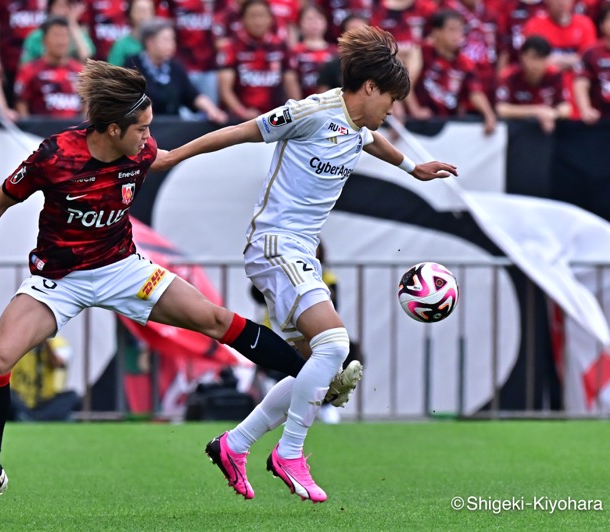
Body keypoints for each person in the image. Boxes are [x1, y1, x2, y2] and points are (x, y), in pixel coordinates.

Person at [0, 59, 355, 519]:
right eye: (142, 130)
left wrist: (216, 141)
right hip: (60, 280)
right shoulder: (54, 157)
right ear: (112, 129)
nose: (149, 139)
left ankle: (315, 375)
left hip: (124, 268)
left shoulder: (140, 152)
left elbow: (167, 156)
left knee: (213, 318)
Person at [158, 26, 457, 503]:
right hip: (275, 245)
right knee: (336, 344)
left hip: (302, 252)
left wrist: (411, 167)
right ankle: (289, 453)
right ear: (371, 88)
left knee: (312, 366)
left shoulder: (358, 128)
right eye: (391, 101)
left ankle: (234, 445)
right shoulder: (312, 112)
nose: (392, 111)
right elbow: (240, 131)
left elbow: (371, 141)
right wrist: (174, 155)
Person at [404, 9, 497, 134]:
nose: (457, 35)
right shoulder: (421, 51)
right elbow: (406, 82)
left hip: (448, 125)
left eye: (460, 30)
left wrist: (488, 114)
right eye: (451, 30)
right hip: (419, 125)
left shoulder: (464, 62)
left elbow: (475, 92)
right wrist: (415, 110)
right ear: (437, 32)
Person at [124, 18, 227, 123]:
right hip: (146, 124)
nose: (172, 44)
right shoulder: (132, 66)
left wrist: (213, 111)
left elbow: (192, 94)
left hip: (173, 125)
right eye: (166, 40)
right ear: (150, 42)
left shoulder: (175, 66)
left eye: (173, 39)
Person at [217, 0, 301, 120]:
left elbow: (291, 83)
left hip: (276, 118)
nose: (258, 21)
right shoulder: (232, 47)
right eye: (252, 16)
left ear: (271, 19)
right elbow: (225, 89)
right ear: (242, 20)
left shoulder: (281, 46)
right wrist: (243, 113)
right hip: (240, 120)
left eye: (262, 16)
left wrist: (297, 113)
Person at [496, 35, 571, 133]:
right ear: (522, 57)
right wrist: (536, 111)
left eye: (541, 59)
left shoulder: (555, 75)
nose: (536, 64)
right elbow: (501, 109)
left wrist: (552, 114)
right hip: (515, 131)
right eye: (533, 58)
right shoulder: (509, 76)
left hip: (547, 131)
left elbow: (566, 108)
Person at [14, 17, 84, 118]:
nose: (61, 42)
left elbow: (87, 107)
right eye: (56, 36)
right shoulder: (29, 71)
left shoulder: (81, 72)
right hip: (40, 131)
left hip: (73, 131)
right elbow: (21, 105)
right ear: (44, 40)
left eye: (65, 36)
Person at [8, 336, 81, 421]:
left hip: (47, 401)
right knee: (7, 394)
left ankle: (28, 417)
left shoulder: (58, 343)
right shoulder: (15, 343)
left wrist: (46, 343)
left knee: (72, 396)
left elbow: (57, 363)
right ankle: (41, 417)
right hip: (20, 400)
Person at [19, 0, 94, 65]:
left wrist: (72, 24)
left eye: (68, 6)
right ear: (50, 8)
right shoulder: (36, 36)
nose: (64, 11)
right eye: (60, 6)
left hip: (72, 78)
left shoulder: (78, 33)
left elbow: (86, 57)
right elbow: (25, 66)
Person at [573, 5, 610, 124]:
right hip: (600, 119)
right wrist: (585, 109)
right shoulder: (590, 53)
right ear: (602, 25)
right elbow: (581, 83)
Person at [106, 0, 154, 66]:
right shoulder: (121, 45)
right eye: (141, 10)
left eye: (149, 10)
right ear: (130, 14)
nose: (145, 15)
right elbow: (110, 73)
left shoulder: (159, 43)